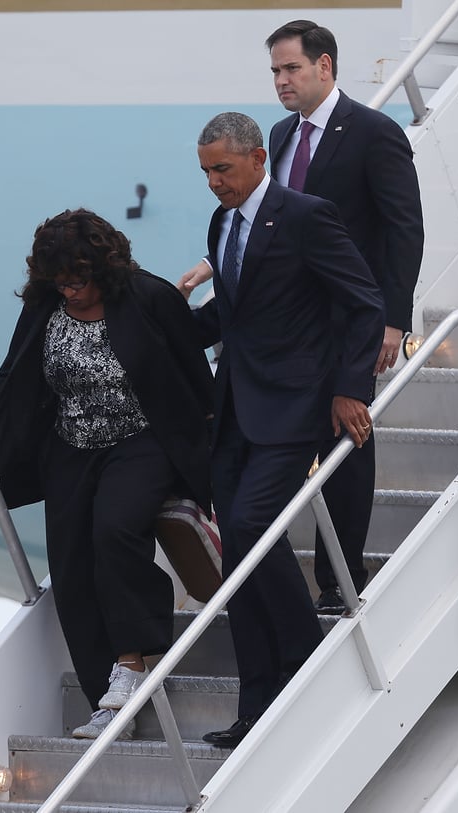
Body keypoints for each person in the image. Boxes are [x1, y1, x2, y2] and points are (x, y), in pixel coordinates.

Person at [181, 20, 424, 614]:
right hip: (290, 321)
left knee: (348, 439)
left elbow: (403, 228)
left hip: (352, 316)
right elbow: (267, 219)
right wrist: (219, 265)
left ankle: (342, 577)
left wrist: (394, 318)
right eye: (275, 71)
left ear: (325, 67)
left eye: (291, 69)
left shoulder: (374, 132)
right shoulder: (281, 135)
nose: (281, 81)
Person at [0, 209, 214, 740]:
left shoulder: (150, 299)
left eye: (78, 280)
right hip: (71, 446)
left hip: (142, 440)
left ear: (101, 268)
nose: (70, 291)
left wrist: (205, 456)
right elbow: (15, 377)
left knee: (116, 531)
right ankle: (104, 699)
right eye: (58, 281)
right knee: (73, 565)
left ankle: (134, 660)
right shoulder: (46, 305)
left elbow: (195, 379)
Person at [191, 112, 385, 747]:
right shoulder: (222, 223)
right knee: (238, 555)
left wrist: (351, 387)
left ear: (257, 160)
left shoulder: (305, 215)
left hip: (294, 407)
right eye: (207, 171)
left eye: (223, 168)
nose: (214, 182)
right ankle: (256, 709)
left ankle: (304, 660)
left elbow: (362, 300)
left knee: (250, 526)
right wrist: (162, 321)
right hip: (236, 411)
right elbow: (235, 311)